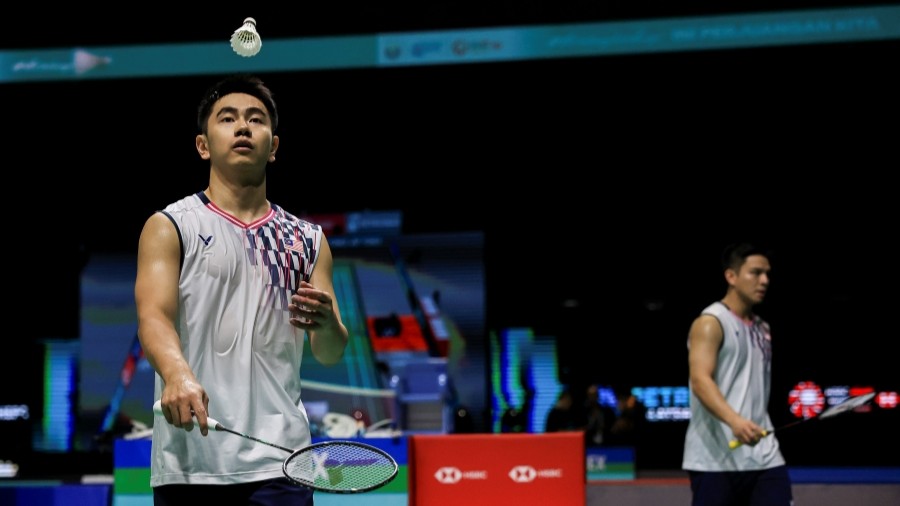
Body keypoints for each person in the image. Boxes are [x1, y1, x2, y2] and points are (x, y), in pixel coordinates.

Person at [135, 74, 349, 506]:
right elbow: (153, 317)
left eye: (256, 119)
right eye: (228, 118)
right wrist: (177, 374)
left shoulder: (308, 240)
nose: (243, 127)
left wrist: (328, 325)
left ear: (273, 147)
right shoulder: (170, 226)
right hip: (191, 461)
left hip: (282, 462)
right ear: (203, 145)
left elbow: (329, 352)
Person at [682, 242, 792, 506]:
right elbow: (700, 380)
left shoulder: (763, 328)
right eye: (755, 273)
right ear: (731, 276)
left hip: (764, 454)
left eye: (767, 274)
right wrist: (735, 421)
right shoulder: (711, 322)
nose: (764, 280)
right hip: (715, 459)